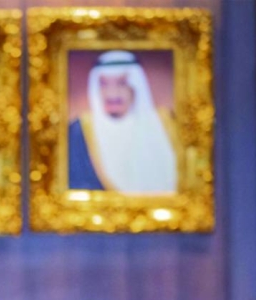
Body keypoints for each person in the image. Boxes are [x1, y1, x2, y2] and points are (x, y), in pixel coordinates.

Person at [68, 50, 178, 193]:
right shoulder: (78, 132)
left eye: (122, 83)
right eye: (103, 84)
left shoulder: (166, 123)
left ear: (136, 86)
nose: (112, 93)